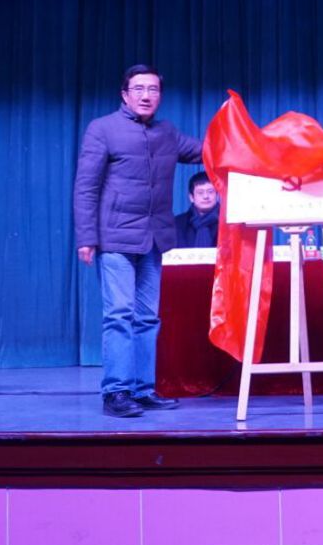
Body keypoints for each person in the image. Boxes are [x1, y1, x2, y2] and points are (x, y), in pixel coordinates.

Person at [74, 65, 203, 418]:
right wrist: (86, 238)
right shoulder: (103, 129)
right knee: (119, 314)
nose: (147, 95)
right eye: (139, 89)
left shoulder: (167, 133)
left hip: (154, 239)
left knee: (147, 318)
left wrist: (245, 142)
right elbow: (86, 187)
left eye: (153, 89)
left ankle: (143, 390)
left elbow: (208, 151)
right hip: (115, 238)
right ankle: (116, 392)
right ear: (125, 94)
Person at [174, 171, 219, 247]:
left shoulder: (227, 223)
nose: (206, 196)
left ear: (217, 195)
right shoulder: (177, 223)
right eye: (200, 193)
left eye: (210, 192)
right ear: (191, 197)